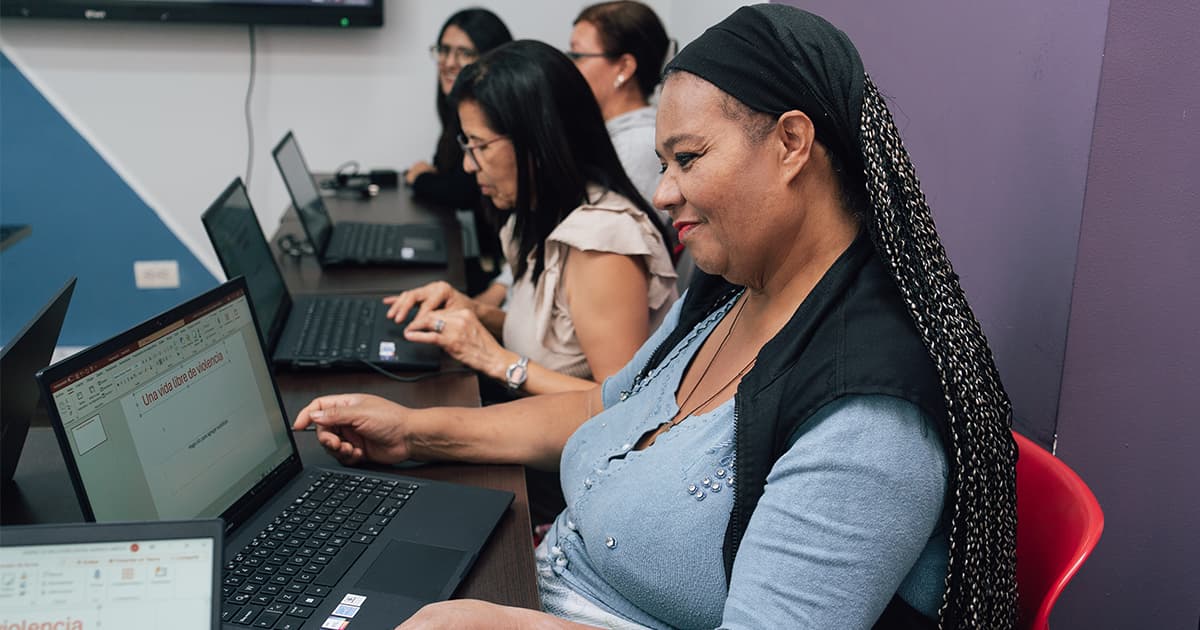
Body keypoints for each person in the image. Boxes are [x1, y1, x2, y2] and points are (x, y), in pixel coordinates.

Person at [295, 6, 1018, 629]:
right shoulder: (729, 289)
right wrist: (415, 431)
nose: (664, 192)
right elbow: (604, 406)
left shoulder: (866, 421)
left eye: (688, 158)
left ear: (793, 144)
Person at [385, 40, 677, 398]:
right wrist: (472, 311)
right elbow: (557, 347)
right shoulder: (545, 211)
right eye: (466, 146)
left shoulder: (602, 242)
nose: (468, 164)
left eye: (480, 146)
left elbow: (619, 406)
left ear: (536, 143)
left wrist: (492, 358)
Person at [404, 8, 512, 298]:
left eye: (464, 53)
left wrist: (421, 179)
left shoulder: (501, 115)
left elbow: (464, 190)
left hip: (500, 269)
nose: (449, 63)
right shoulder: (455, 110)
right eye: (444, 50)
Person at [568, 1, 670, 207]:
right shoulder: (612, 135)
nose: (569, 66)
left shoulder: (639, 146)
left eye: (577, 56)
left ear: (624, 67)